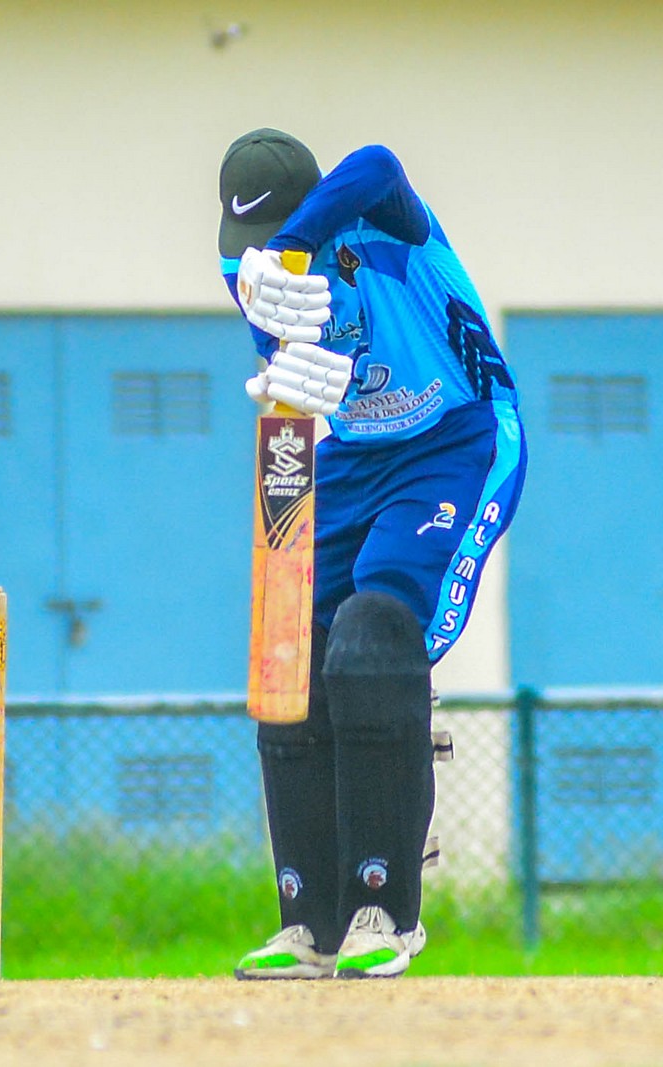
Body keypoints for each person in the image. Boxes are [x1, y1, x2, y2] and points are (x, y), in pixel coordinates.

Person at [218, 129, 526, 978]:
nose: (252, 260)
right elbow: (282, 362)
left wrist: (294, 245)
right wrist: (283, 366)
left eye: (268, 237)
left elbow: (380, 161)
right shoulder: (244, 268)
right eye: (246, 243)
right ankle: (309, 922)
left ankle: (384, 909)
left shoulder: (376, 215)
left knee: (372, 633)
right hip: (353, 455)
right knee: (292, 647)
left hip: (455, 436)